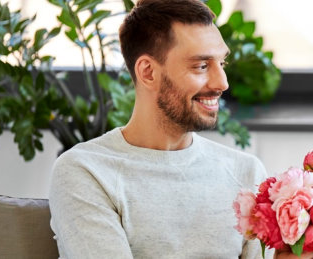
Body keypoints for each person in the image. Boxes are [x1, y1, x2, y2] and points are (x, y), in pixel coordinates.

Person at [49, 0, 272, 257]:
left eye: (222, 64)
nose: (222, 82)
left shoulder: (246, 173)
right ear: (148, 72)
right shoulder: (86, 172)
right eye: (201, 66)